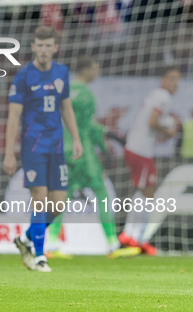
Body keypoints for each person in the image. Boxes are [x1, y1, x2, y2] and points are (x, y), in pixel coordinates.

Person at [4, 26, 83, 273]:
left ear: (55, 48)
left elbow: (66, 107)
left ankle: (26, 238)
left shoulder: (61, 72)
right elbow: (13, 116)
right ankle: (39, 255)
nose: (44, 50)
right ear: (33, 47)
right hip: (33, 147)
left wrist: (76, 139)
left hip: (57, 146)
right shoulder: (24, 75)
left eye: (49, 45)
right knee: (39, 200)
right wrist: (9, 152)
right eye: (40, 45)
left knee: (58, 204)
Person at [47, 57, 140, 259]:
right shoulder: (87, 94)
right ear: (87, 69)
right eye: (96, 67)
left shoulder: (64, 88)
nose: (97, 72)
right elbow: (88, 127)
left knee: (62, 198)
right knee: (101, 192)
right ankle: (112, 244)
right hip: (83, 151)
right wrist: (107, 142)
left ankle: (51, 244)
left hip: (63, 149)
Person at [119, 66, 180, 255]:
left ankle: (133, 236)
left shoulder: (156, 95)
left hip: (138, 148)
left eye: (177, 79)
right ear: (162, 79)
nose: (174, 83)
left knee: (145, 192)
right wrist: (168, 131)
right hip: (140, 150)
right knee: (148, 192)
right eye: (171, 78)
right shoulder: (162, 96)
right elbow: (152, 122)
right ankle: (135, 237)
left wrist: (161, 131)